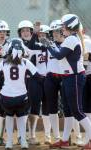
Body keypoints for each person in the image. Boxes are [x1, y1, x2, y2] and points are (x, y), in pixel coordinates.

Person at [45, 14, 91, 150]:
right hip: (68, 77)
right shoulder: (70, 38)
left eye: (63, 26)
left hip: (75, 77)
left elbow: (59, 55)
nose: (61, 29)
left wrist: (47, 44)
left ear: (70, 27)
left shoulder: (71, 39)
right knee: (68, 110)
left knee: (77, 111)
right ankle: (64, 140)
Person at [0, 38, 42, 150]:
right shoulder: (26, 62)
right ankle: (23, 141)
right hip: (22, 97)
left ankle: (9, 142)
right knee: (21, 117)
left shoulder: (3, 63)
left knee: (9, 116)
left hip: (6, 98)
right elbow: (38, 77)